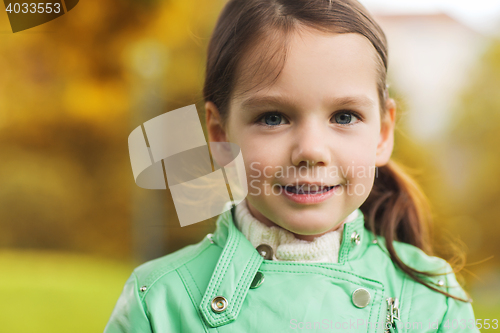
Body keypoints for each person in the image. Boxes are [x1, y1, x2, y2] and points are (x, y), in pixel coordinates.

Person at [105, 0, 480, 332]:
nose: (311, 150)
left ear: (382, 133)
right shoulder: (159, 302)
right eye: (273, 118)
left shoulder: (433, 301)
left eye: (345, 116)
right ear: (221, 137)